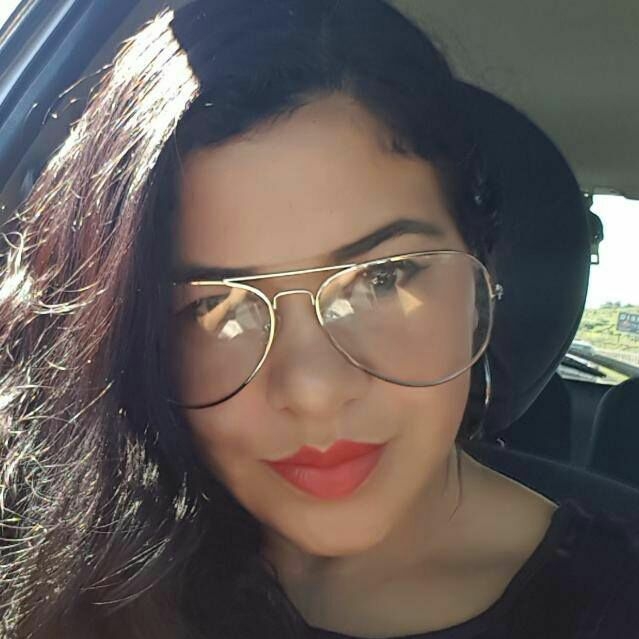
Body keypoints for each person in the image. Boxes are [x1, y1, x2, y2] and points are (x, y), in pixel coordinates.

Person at [0, 1, 638, 638]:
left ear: (480, 284)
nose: (314, 391)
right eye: (213, 306)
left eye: (381, 279)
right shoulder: (63, 552)